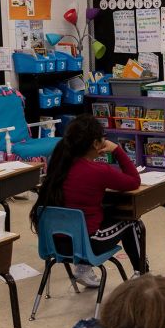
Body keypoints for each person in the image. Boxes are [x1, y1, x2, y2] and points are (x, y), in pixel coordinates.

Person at [29, 114, 145, 288]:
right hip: (86, 245)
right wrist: (117, 150)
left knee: (100, 212)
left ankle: (83, 268)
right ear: (96, 143)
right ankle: (143, 275)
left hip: (54, 244)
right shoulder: (99, 171)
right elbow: (134, 181)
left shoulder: (58, 164)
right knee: (133, 222)